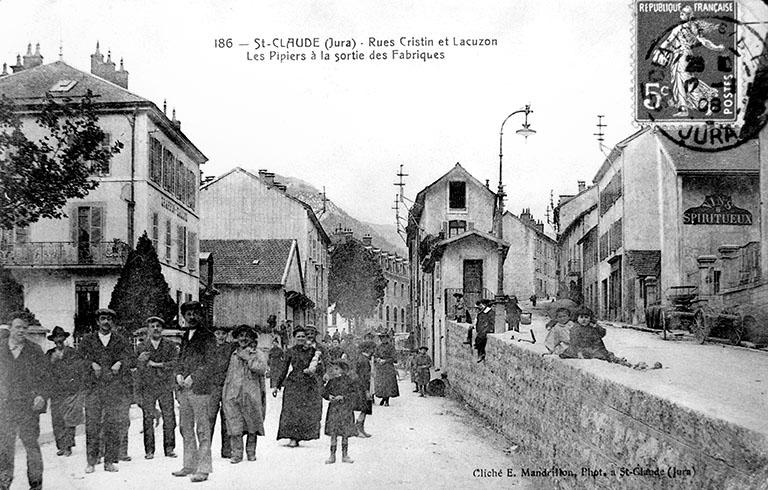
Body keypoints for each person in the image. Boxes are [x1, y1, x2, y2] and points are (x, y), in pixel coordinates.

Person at [78, 308, 133, 474]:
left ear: (113, 322)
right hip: (94, 389)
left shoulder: (120, 340)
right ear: (97, 322)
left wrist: (120, 363)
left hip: (113, 387)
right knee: (92, 425)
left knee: (112, 425)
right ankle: (91, 461)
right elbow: (79, 359)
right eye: (103, 319)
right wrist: (91, 364)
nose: (106, 322)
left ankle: (109, 461)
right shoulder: (88, 340)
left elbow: (129, 357)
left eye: (109, 319)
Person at [0, 312, 50, 490]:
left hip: (28, 407)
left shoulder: (34, 350)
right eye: (18, 327)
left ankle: (36, 484)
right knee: (4, 447)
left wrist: (41, 396)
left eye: (24, 328)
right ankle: (3, 483)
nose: (21, 331)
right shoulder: (0, 349)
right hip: (4, 408)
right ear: (10, 328)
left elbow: (46, 378)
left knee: (31, 445)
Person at [651, 4, 725, 117]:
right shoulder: (694, 27)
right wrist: (716, 48)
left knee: (684, 82)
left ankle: (707, 98)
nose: (681, 14)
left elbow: (668, 42)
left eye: (684, 13)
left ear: (690, 15)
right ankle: (686, 107)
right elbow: (704, 42)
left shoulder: (679, 29)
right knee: (682, 82)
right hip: (686, 57)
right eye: (681, 12)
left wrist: (659, 51)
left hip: (682, 57)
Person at [172, 301, 217, 483]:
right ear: (184, 316)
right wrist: (178, 374)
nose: (191, 317)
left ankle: (203, 468)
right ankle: (189, 464)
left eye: (195, 313)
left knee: (202, 429)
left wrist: (194, 377)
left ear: (201, 315)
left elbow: (211, 363)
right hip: (184, 389)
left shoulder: (208, 337)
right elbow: (180, 359)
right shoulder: (185, 336)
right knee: (185, 428)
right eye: (188, 314)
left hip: (200, 390)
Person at [136, 316, 179, 460]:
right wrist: (140, 361)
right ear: (148, 329)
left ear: (162, 329)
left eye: (158, 326)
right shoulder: (142, 347)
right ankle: (149, 450)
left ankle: (169, 448)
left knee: (169, 417)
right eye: (153, 326)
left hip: (165, 386)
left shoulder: (170, 345)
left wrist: (158, 365)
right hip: (148, 386)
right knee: (148, 418)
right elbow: (137, 368)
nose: (156, 329)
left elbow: (175, 363)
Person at [223, 325, 267, 464]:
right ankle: (236, 453)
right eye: (240, 335)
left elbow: (261, 369)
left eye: (246, 335)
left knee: (252, 423)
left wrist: (248, 358)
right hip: (233, 393)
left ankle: (251, 452)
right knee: (234, 423)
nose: (243, 338)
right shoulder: (233, 354)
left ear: (251, 338)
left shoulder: (258, 353)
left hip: (251, 393)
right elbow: (229, 373)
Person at [272, 327, 323, 447]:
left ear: (306, 338)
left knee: (305, 411)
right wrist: (277, 385)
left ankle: (301, 436)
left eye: (303, 336)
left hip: (308, 383)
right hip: (293, 383)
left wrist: (313, 371)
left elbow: (320, 366)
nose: (301, 338)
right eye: (298, 336)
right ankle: (292, 438)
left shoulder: (312, 351)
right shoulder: (290, 351)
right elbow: (283, 368)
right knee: (291, 410)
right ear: (294, 338)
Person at [46, 325, 82, 457]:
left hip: (70, 390)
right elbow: (45, 372)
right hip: (55, 391)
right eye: (56, 338)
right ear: (53, 340)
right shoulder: (49, 354)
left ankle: (68, 446)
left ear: (64, 338)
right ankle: (60, 445)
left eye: (61, 337)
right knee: (57, 419)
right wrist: (52, 362)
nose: (59, 340)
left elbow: (77, 369)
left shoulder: (72, 352)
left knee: (69, 419)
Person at [322, 360, 358, 464]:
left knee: (345, 433)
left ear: (343, 370)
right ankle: (332, 455)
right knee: (333, 433)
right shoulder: (332, 381)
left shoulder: (349, 381)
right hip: (334, 409)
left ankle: (345, 455)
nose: (334, 371)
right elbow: (324, 391)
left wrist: (343, 397)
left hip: (345, 409)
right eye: (333, 369)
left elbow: (354, 394)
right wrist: (329, 396)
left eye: (337, 369)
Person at [208, 324, 236, 459]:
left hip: (226, 386)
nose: (220, 336)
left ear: (227, 335)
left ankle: (226, 450)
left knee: (227, 418)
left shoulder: (231, 348)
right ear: (214, 334)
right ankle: (205, 448)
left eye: (223, 333)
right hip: (212, 386)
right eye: (218, 333)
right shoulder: (209, 347)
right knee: (209, 417)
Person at [353, 340, 375, 437]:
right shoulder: (364, 360)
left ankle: (360, 428)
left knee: (365, 408)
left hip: (361, 386)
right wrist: (366, 391)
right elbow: (363, 377)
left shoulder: (362, 358)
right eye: (372, 349)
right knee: (364, 408)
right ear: (368, 349)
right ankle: (358, 429)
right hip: (362, 387)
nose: (374, 351)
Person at [374, 333, 399, 406]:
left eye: (385, 338)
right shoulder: (378, 347)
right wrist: (378, 359)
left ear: (388, 339)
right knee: (381, 384)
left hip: (388, 367)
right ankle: (383, 398)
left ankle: (387, 400)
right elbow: (375, 355)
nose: (383, 339)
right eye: (382, 338)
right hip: (380, 368)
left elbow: (394, 358)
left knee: (388, 384)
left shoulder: (391, 347)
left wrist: (385, 361)